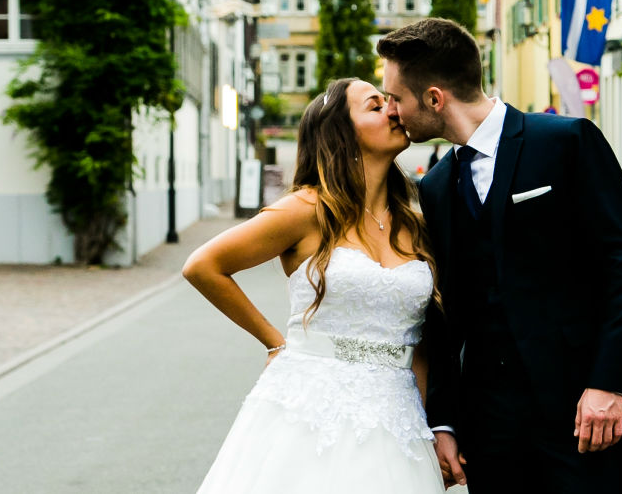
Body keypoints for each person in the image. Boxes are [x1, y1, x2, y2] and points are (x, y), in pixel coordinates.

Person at [377, 18, 622, 493]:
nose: (392, 110)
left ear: (433, 98)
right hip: (489, 428)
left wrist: (608, 384)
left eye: (396, 97)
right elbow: (444, 318)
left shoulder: (567, 141)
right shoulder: (437, 188)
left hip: (581, 410)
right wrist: (444, 421)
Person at [182, 78, 446, 493]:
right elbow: (204, 266)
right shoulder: (307, 208)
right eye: (376, 106)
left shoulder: (416, 224)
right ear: (342, 132)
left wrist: (430, 422)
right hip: (308, 411)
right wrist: (273, 341)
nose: (394, 110)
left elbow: (423, 343)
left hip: (397, 418)